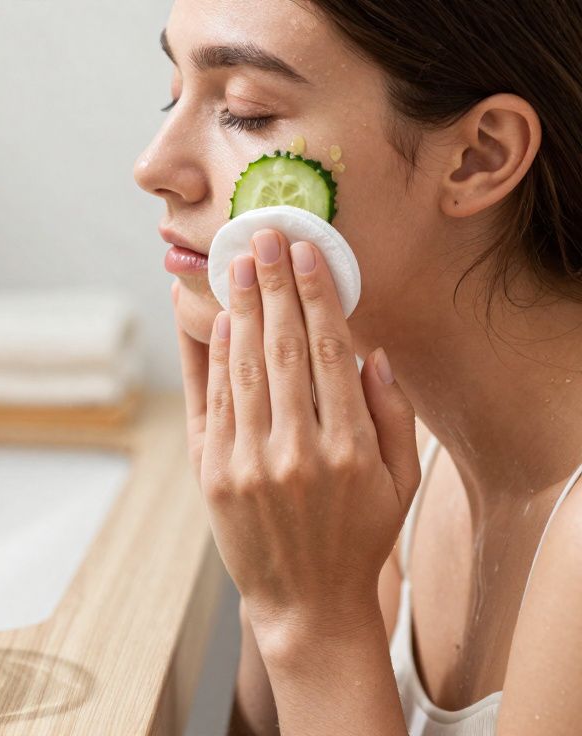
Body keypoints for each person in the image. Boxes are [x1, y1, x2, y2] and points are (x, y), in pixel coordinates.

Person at [133, 0, 582, 733]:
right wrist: (273, 563)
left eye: (245, 112)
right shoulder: (395, 431)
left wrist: (309, 620)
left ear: (480, 157)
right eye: (174, 92)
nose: (154, 167)